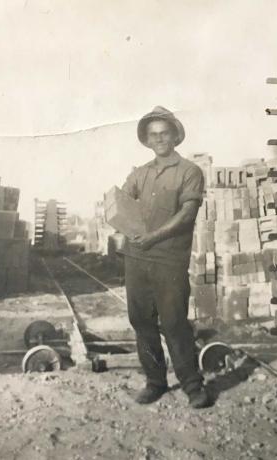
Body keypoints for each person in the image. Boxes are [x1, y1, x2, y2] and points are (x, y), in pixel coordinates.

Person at [120, 106, 211, 409]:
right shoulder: (139, 174)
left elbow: (187, 215)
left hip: (169, 260)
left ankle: (193, 386)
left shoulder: (189, 172)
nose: (159, 139)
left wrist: (153, 237)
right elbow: (121, 205)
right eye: (153, 134)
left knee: (174, 323)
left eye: (164, 133)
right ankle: (155, 382)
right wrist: (125, 225)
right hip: (136, 259)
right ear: (146, 139)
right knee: (141, 321)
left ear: (175, 136)